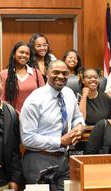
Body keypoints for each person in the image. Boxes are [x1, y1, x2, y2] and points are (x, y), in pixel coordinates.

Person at [20, 60, 85, 191]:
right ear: (47, 74)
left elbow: (77, 116)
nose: (61, 76)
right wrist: (60, 141)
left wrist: (79, 126)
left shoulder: (69, 93)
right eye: (56, 72)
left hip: (63, 160)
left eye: (64, 73)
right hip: (39, 160)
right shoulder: (35, 100)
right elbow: (27, 139)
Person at [0, 41, 45, 113]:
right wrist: (15, 114)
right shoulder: (4, 74)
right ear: (14, 54)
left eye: (27, 54)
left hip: (34, 116)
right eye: (21, 52)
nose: (24, 55)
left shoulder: (36, 73)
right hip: (12, 117)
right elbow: (1, 100)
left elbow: (44, 96)